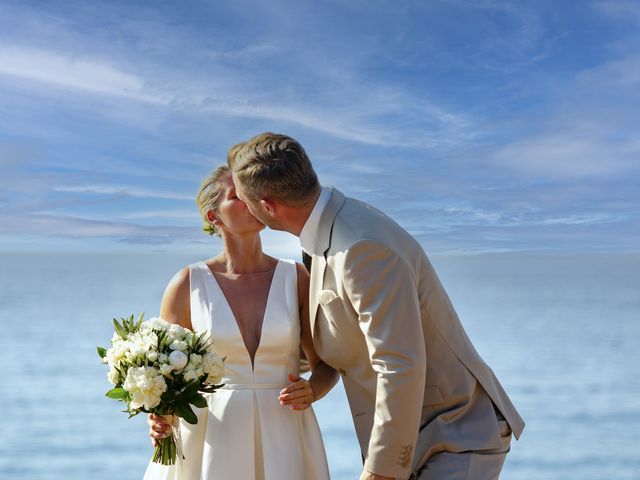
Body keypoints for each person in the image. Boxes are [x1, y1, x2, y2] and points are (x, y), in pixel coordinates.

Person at [228, 133, 525, 480]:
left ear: (267, 206)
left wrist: (381, 472)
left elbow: (399, 363)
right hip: (418, 437)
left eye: (243, 200)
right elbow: (338, 338)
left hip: (453, 435)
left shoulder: (360, 247)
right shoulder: (326, 231)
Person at [144, 164, 338, 480]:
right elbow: (164, 381)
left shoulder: (296, 278)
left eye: (254, 193)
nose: (252, 201)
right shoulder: (186, 284)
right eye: (237, 196)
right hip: (209, 439)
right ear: (213, 217)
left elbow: (327, 366)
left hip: (285, 432)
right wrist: (159, 419)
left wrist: (312, 391)